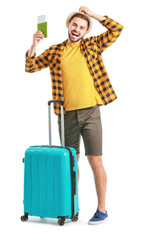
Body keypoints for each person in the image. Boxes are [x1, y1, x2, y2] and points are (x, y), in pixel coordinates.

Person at [25, 6, 123, 225]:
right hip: (66, 114)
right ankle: (71, 205)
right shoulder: (55, 51)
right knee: (71, 161)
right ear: (68, 26)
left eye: (81, 27)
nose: (77, 29)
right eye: (74, 25)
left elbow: (116, 29)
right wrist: (34, 44)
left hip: (91, 113)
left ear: (86, 31)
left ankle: (102, 209)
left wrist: (93, 14)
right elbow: (30, 66)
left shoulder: (92, 45)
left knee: (95, 159)